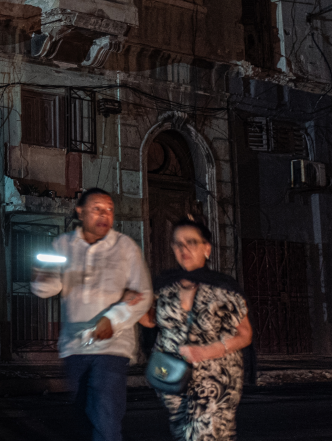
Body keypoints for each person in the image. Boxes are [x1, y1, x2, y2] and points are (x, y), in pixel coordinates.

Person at [32, 188, 153, 441]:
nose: (104, 215)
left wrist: (113, 319)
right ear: (81, 211)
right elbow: (47, 288)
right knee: (83, 416)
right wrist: (41, 276)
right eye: (97, 208)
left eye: (109, 209)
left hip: (112, 346)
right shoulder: (63, 244)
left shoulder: (125, 247)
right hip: (75, 345)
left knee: (105, 414)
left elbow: (142, 293)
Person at [138, 218, 253, 441]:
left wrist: (205, 352)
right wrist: (132, 302)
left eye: (191, 242)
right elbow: (151, 321)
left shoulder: (223, 287)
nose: (184, 249)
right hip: (171, 376)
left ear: (206, 248)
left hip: (214, 379)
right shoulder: (166, 284)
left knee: (206, 436)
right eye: (178, 243)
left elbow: (245, 334)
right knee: (183, 435)